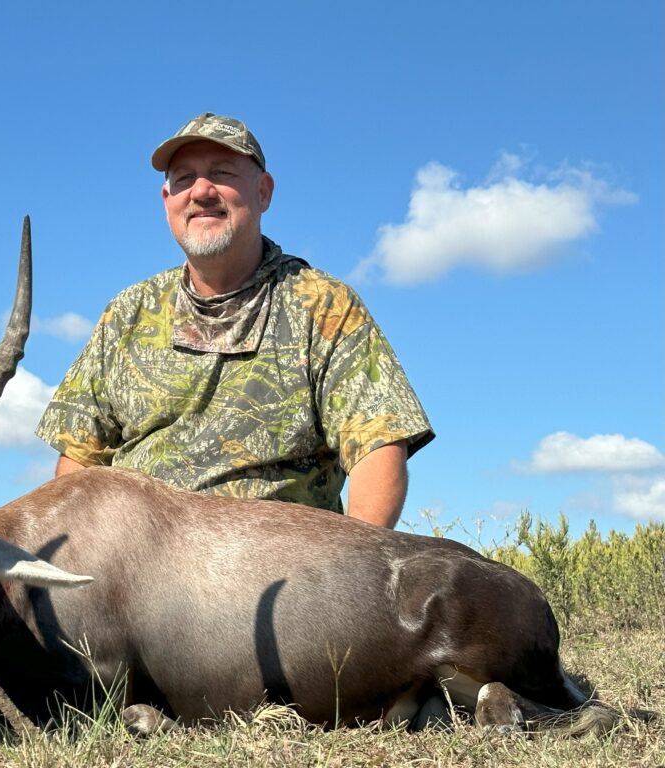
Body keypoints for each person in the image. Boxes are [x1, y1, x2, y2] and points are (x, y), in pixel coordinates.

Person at [35, 113, 433, 528]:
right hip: (136, 562)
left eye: (222, 173)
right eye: (185, 178)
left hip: (276, 564)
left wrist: (357, 569)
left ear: (263, 192)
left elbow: (378, 446)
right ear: (167, 200)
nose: (201, 191)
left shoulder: (323, 304)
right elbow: (79, 461)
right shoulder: (128, 311)